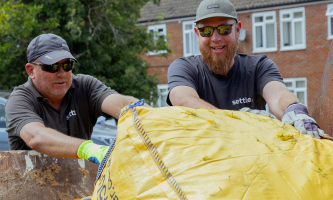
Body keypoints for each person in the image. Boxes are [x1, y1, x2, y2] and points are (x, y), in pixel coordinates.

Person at [167, 0, 329, 139]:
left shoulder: (259, 66)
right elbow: (183, 101)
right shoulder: (184, 68)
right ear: (197, 34)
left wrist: (294, 109)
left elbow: (278, 96)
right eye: (206, 31)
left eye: (224, 29)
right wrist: (239, 121)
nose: (216, 38)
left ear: (237, 30)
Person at [5, 33, 145, 164]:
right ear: (31, 71)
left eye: (67, 65)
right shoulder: (19, 99)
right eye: (52, 66)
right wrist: (89, 149)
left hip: (80, 186)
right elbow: (36, 137)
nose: (62, 74)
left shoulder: (85, 86)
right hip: (31, 188)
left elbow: (121, 104)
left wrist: (156, 119)